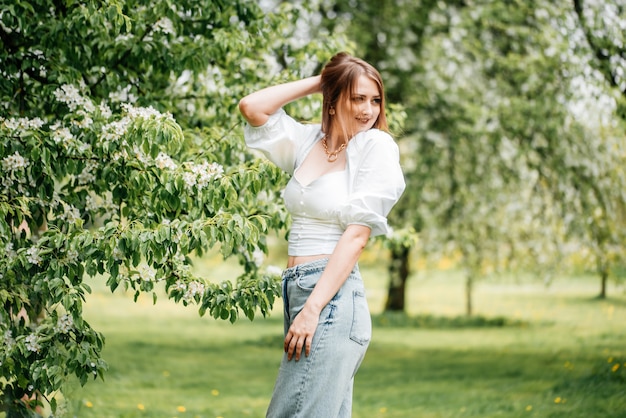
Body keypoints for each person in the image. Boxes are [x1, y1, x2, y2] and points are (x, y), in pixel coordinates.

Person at [238, 52, 405, 418]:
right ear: (332, 100)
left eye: (375, 100)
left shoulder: (375, 148)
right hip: (297, 290)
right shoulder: (308, 141)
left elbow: (357, 237)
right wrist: (324, 80)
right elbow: (252, 107)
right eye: (357, 97)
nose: (368, 110)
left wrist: (313, 308)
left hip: (330, 299)